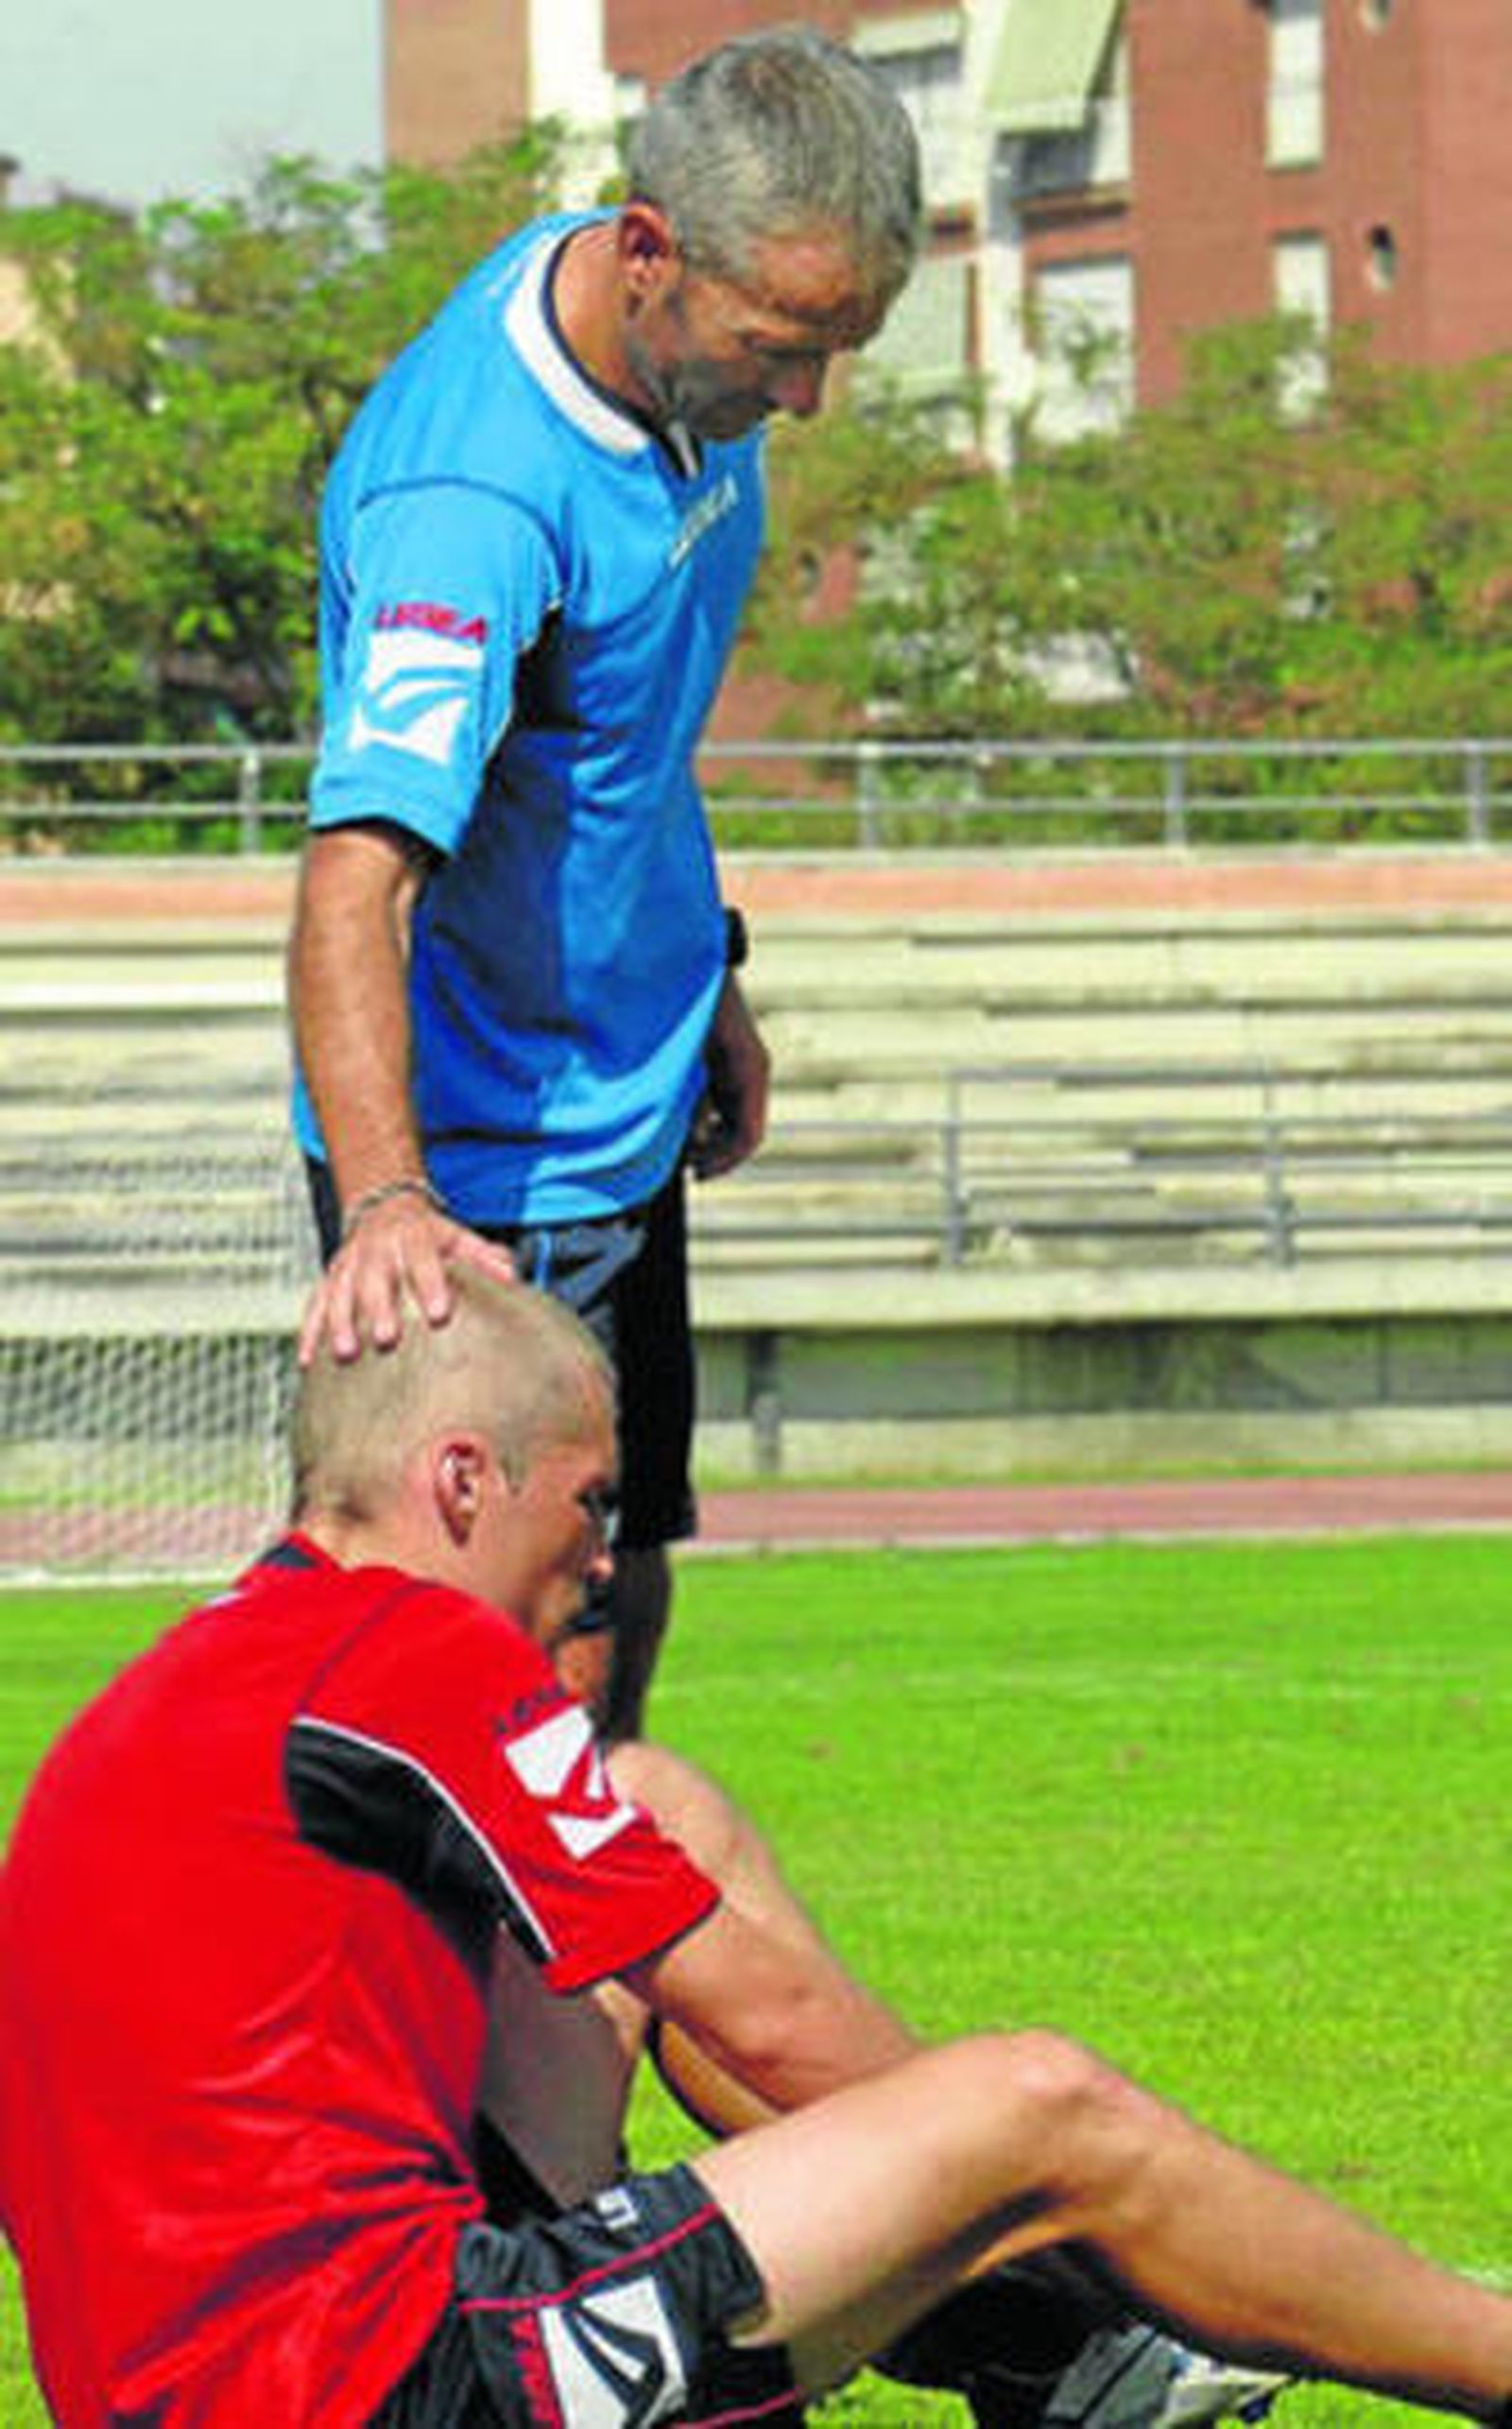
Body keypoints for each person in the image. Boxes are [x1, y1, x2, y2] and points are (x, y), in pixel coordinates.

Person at [4, 1273, 1510, 2429]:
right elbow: (781, 2029)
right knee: (1039, 2105)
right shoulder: (407, 1652)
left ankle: (1056, 2357)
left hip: (235, 2368)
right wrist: (1021, 2200)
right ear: (461, 1479)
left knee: (654, 1800)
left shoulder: (201, 1672)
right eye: (588, 1501)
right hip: (388, 2378)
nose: (604, 1559)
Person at [286, 25, 924, 1739]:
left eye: (839, 348)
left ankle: (593, 1999)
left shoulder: (681, 359)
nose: (803, 401)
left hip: (624, 1099)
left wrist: (702, 971)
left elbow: (618, 739)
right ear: (649, 250)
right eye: (783, 348)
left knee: (620, 1585)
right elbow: (357, 877)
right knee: (488, 1665)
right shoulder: (474, 502)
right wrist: (392, 1211)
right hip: (484, 1162)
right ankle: (435, 2005)